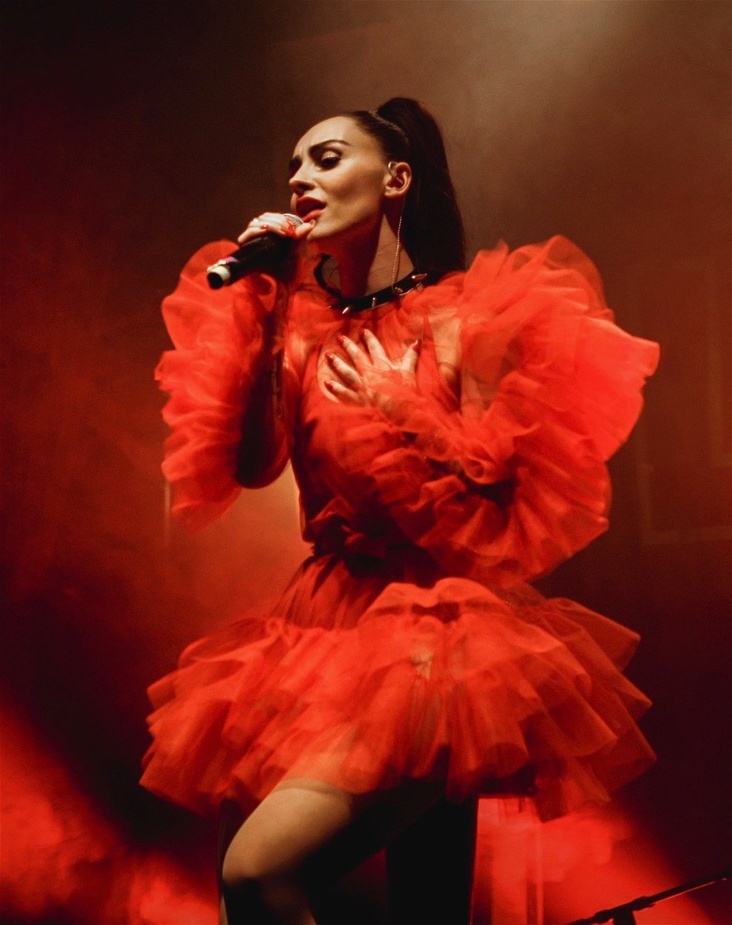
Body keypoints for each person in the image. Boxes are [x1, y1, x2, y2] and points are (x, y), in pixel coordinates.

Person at [141, 98, 659, 924]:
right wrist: (270, 310)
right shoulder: (300, 329)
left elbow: (504, 505)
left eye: (326, 158)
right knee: (424, 909)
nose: (301, 179)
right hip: (321, 626)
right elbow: (253, 466)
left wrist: (406, 407)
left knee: (259, 872)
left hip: (436, 635)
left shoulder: (464, 314)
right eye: (293, 166)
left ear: (396, 179)